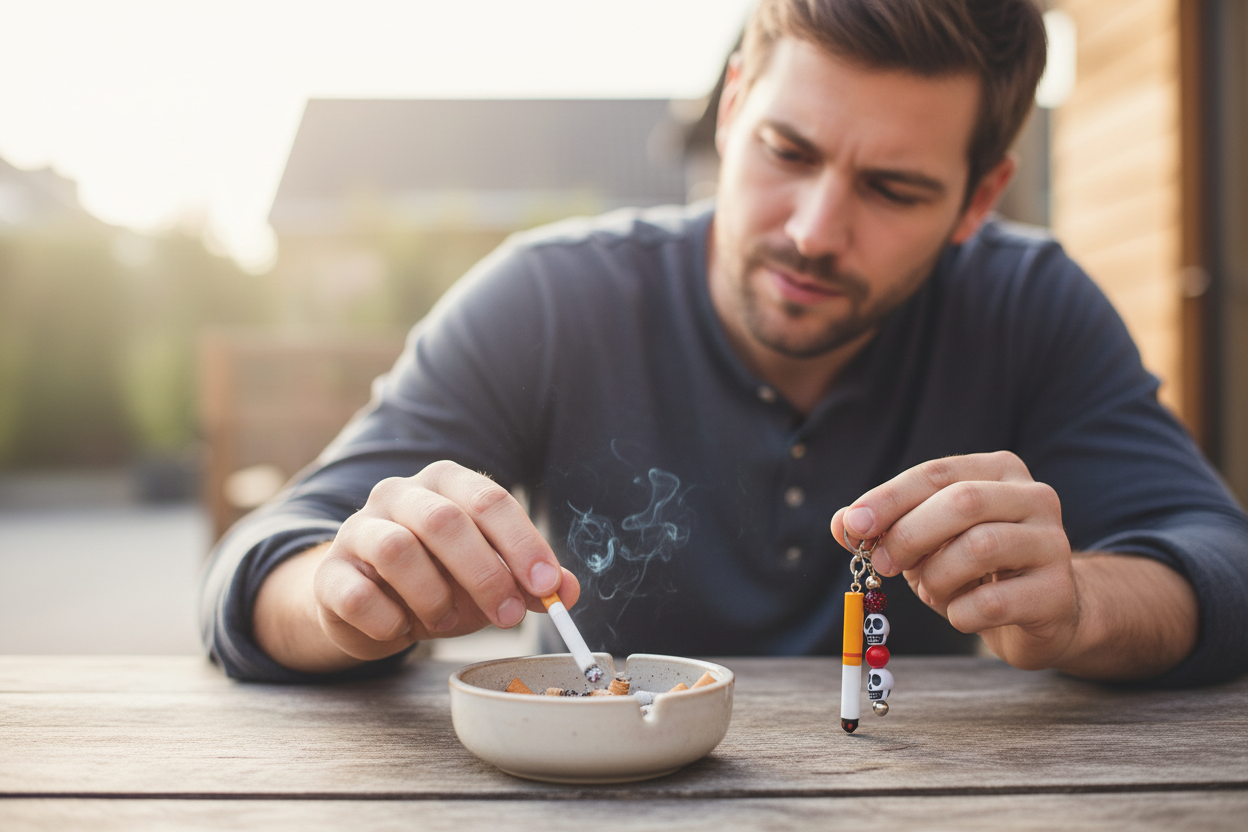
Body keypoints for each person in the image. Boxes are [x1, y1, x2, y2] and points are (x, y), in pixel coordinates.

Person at [201, 0, 1248, 685]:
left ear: (978, 199)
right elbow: (259, 568)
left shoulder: (1031, 306)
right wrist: (347, 595)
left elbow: (1223, 563)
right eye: (787, 151)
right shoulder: (551, 297)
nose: (812, 230)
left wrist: (1082, 607)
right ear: (735, 107)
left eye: (893, 188)